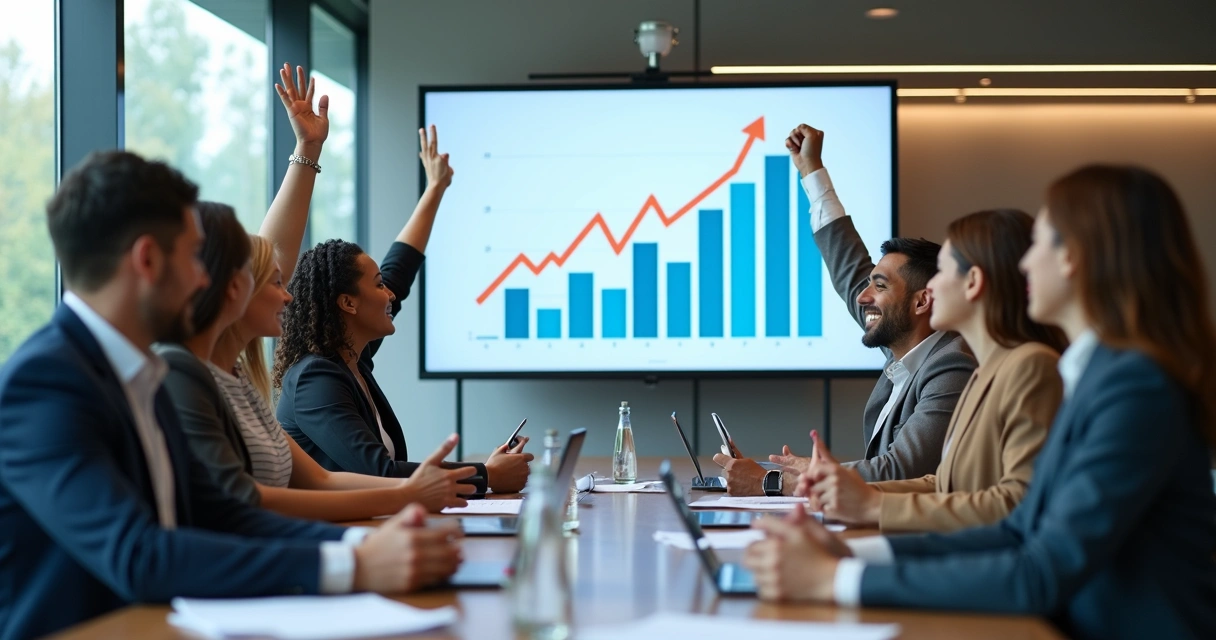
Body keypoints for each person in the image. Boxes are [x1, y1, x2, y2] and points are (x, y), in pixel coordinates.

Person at [0, 150, 463, 640]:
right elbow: (137, 554)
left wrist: (364, 544)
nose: (208, 280)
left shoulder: (144, 374)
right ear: (148, 260)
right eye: (195, 259)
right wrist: (352, 563)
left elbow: (221, 513)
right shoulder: (46, 383)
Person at [742, 164, 1216, 640]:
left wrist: (836, 579)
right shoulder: (1094, 377)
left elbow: (1039, 569)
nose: (1026, 264)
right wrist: (850, 555)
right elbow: (1018, 530)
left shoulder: (1134, 389)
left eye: (1042, 243)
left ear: (1074, 256)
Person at [158, 65, 476, 519]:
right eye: (272, 283)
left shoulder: (243, 381)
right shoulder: (194, 376)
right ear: (231, 289)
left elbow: (321, 484)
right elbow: (249, 506)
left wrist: (433, 190)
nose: (286, 295)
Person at [716, 124, 976, 494]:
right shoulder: (903, 340)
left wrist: (775, 482)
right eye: (869, 283)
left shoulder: (951, 364)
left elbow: (899, 470)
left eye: (880, 285)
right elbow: (849, 267)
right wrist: (811, 170)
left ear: (921, 301)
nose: (862, 296)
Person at [273, 126, 532, 493]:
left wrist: (435, 188)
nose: (390, 295)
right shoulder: (316, 379)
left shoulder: (350, 358)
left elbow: (400, 270)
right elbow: (379, 472)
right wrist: (486, 475)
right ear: (348, 303)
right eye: (378, 286)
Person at [801, 209, 1067, 532]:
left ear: (973, 283)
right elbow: (943, 483)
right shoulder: (986, 371)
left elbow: (1014, 503)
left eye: (942, 272)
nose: (932, 288)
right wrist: (853, 493)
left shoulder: (1023, 366)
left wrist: (872, 505)